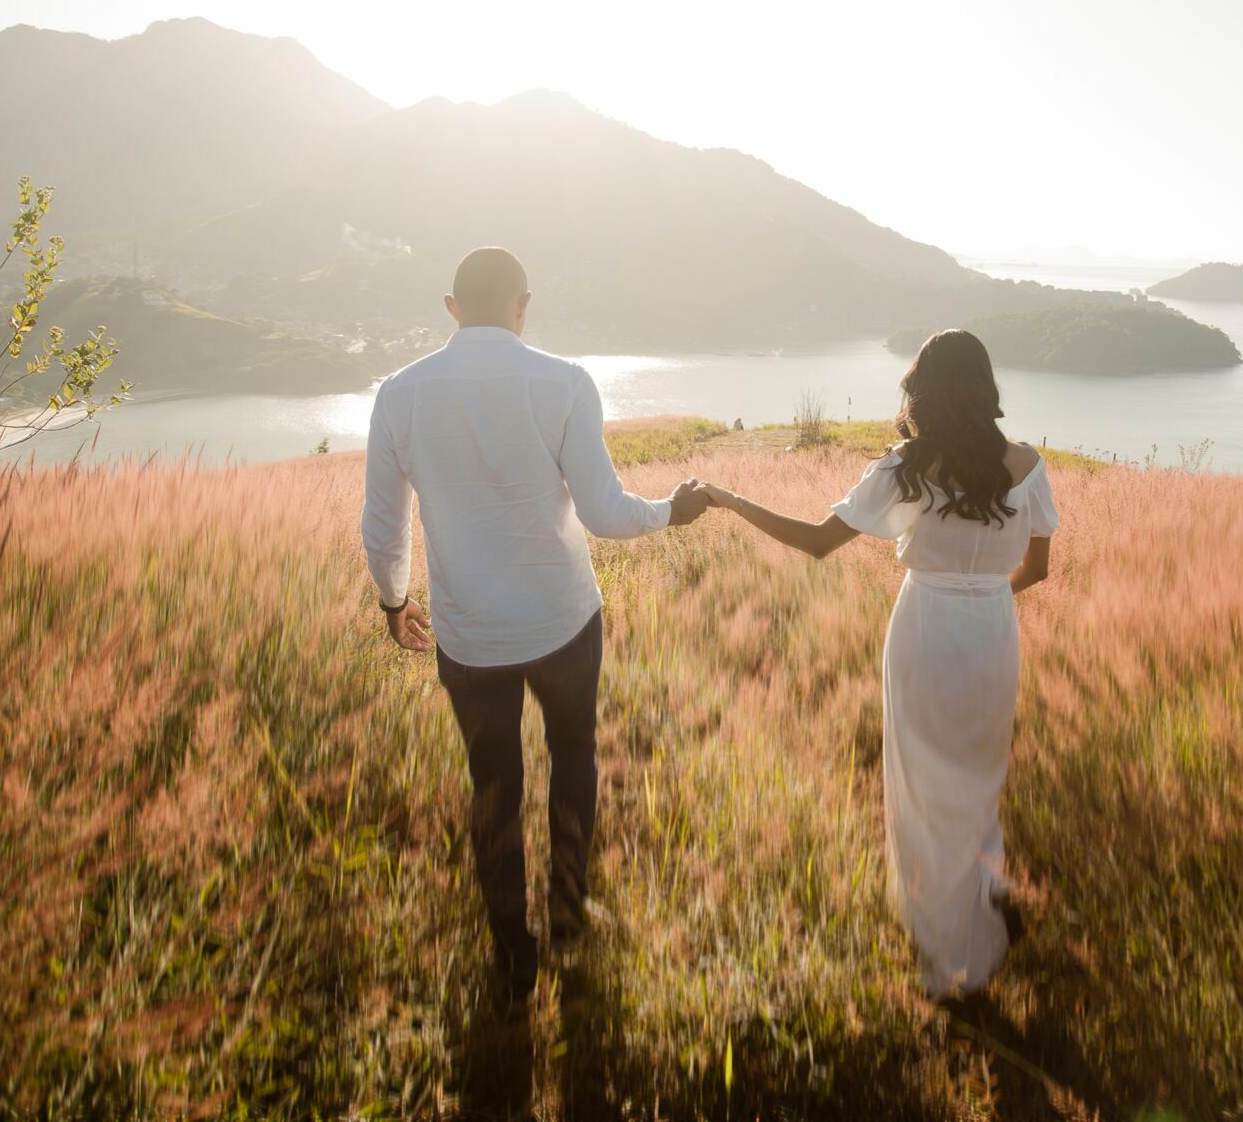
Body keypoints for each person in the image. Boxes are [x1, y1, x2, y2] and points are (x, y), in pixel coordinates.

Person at [361, 246, 710, 1018]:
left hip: (469, 636)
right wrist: (672, 513)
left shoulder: (400, 395)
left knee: (494, 784)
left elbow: (384, 525)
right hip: (562, 624)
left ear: (451, 307)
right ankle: (568, 915)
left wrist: (394, 603)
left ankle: (511, 953)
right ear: (524, 305)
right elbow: (604, 513)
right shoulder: (564, 384)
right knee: (574, 755)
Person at [694, 329, 1057, 996]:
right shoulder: (1029, 464)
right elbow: (1036, 568)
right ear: (985, 385)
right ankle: (985, 892)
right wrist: (980, 598)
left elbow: (815, 542)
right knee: (979, 772)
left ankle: (952, 959)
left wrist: (728, 498)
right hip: (993, 632)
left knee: (920, 788)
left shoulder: (905, 466)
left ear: (922, 389)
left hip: (924, 628)